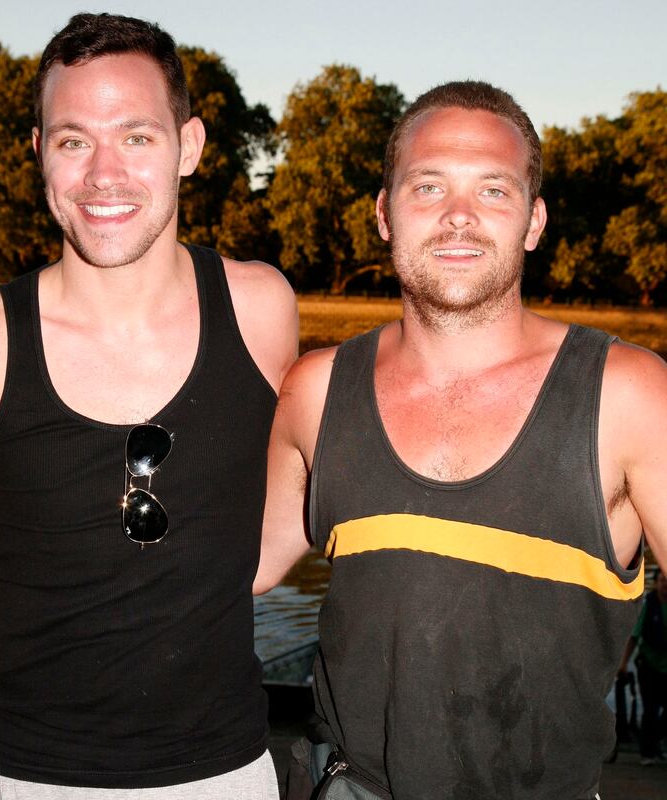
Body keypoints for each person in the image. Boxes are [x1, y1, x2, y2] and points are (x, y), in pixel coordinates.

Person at [0, 13, 297, 800]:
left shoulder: (261, 309)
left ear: (189, 147)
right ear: (40, 151)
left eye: (137, 138)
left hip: (224, 775)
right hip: (15, 775)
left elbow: (280, 508)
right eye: (74, 140)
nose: (103, 174)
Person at [255, 80, 667, 799]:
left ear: (534, 221)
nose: (457, 218)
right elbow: (241, 565)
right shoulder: (316, 390)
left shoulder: (630, 395)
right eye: (428, 187)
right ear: (384, 213)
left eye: (493, 192)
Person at [619, 567, 667, 765]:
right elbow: (634, 636)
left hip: (666, 666)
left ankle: (655, 743)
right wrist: (623, 664)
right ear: (656, 583)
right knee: (650, 707)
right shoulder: (648, 605)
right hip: (648, 664)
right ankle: (647, 752)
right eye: (662, 580)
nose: (665, 585)